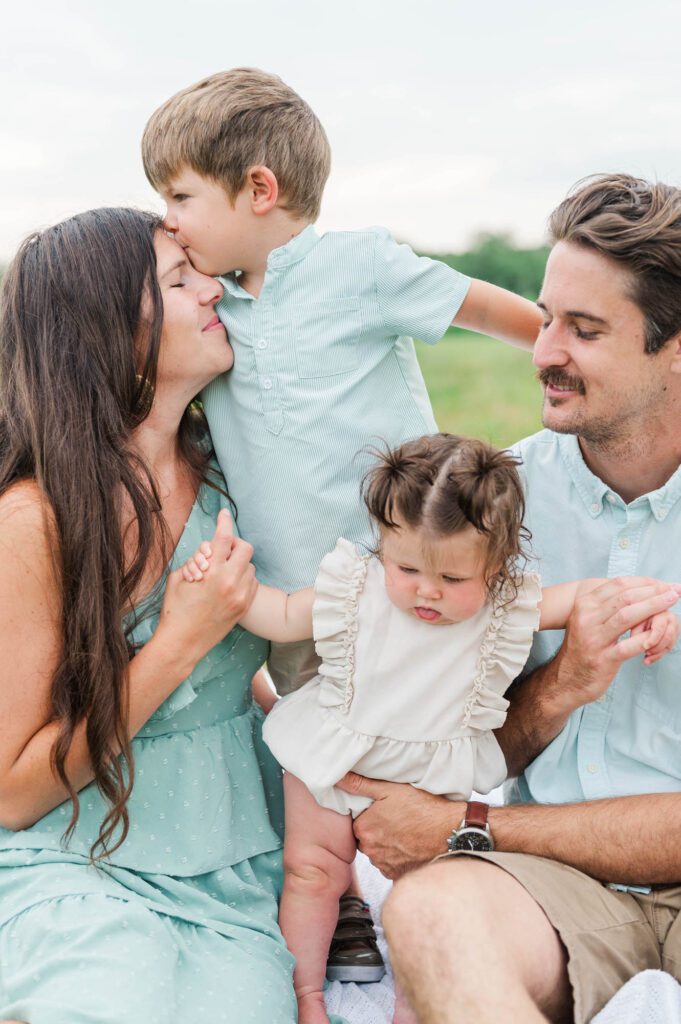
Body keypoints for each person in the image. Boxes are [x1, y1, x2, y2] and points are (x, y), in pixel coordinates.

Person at [141, 66, 543, 979]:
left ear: (258, 190)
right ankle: (343, 896)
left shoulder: (359, 266)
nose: (168, 218)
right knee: (319, 751)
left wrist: (555, 351)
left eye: (179, 195)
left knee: (414, 736)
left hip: (397, 569)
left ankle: (441, 901)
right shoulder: (217, 307)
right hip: (289, 589)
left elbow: (478, 306)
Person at [333, 174, 681, 1024]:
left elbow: (455, 808)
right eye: (547, 315)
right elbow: (460, 750)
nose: (543, 350)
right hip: (549, 895)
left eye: (585, 329)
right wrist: (561, 684)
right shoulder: (494, 504)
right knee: (431, 916)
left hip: (526, 843)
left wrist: (469, 825)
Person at [181, 432, 679, 1024]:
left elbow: (583, 599)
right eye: (408, 567)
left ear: (494, 568)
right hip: (332, 753)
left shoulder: (502, 605)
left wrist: (642, 611)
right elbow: (280, 614)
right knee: (312, 873)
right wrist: (226, 584)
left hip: (424, 786)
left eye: (453, 580)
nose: (427, 591)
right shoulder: (355, 587)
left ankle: (411, 1008)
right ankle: (307, 996)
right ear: (384, 543)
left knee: (425, 892)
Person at [0, 208, 302, 1024]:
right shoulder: (37, 519)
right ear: (109, 332)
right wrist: (180, 638)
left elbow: (226, 696)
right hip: (68, 860)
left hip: (231, 872)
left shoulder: (230, 484)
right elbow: (11, 795)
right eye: (178, 280)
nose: (214, 288)